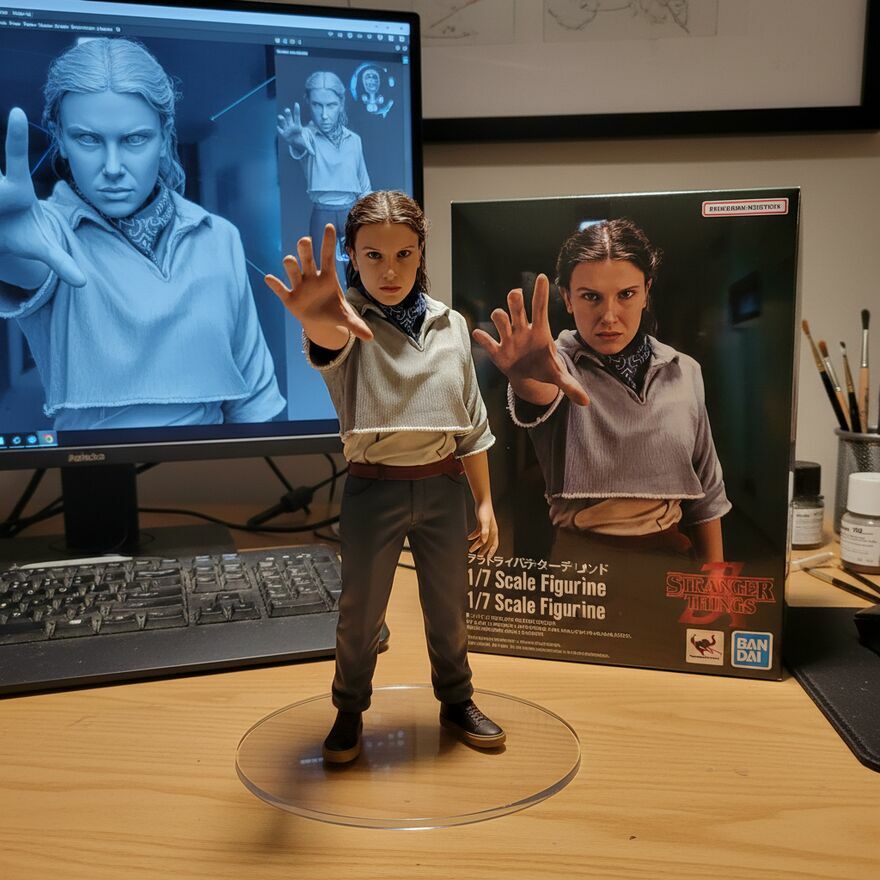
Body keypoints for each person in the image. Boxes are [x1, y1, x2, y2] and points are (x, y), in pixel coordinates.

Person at [265, 190, 504, 764]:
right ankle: (349, 708)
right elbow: (330, 343)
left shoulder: (450, 324)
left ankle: (457, 698)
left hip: (444, 485)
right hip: (375, 487)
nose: (390, 270)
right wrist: (319, 320)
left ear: (421, 252)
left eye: (403, 254)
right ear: (351, 255)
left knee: (449, 607)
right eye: (373, 255)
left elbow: (471, 421)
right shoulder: (346, 319)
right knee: (362, 613)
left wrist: (485, 501)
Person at [0, 38, 285, 430]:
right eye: (88, 139)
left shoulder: (220, 237)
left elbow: (255, 404)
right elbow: (27, 263)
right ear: (60, 139)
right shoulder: (48, 232)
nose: (112, 167)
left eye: (134, 139)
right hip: (95, 465)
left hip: (214, 462)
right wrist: (5, 250)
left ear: (164, 136)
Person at [473, 218, 730, 566]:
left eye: (626, 294)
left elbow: (707, 492)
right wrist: (525, 379)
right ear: (567, 298)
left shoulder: (685, 371)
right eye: (591, 297)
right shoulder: (557, 364)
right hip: (581, 566)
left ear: (646, 291)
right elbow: (542, 391)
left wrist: (715, 579)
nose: (609, 316)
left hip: (668, 559)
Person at [277, 71, 371, 259]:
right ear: (308, 102)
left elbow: (364, 184)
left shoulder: (354, 140)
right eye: (317, 105)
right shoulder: (307, 135)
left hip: (351, 211)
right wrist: (295, 141)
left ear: (341, 104)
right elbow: (301, 145)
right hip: (322, 213)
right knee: (321, 268)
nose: (324, 115)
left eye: (331, 105)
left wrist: (372, 218)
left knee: (357, 267)